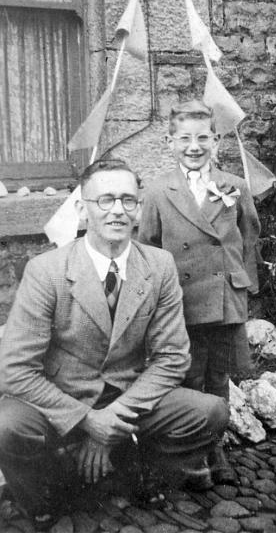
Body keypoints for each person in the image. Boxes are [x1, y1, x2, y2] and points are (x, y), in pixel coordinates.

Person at [0, 159, 228, 530]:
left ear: (139, 208)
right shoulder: (47, 271)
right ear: (82, 208)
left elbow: (172, 358)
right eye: (105, 200)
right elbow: (14, 370)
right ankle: (45, 497)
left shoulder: (159, 266)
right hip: (61, 400)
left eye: (127, 200)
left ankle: (137, 474)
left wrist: (113, 425)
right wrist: (89, 421)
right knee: (4, 424)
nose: (117, 211)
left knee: (209, 412)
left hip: (126, 397)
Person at [139, 100, 260, 485]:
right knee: (188, 378)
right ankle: (194, 457)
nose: (195, 146)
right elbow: (148, 247)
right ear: (170, 142)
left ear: (216, 140)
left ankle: (217, 451)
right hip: (182, 303)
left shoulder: (234, 187)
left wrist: (245, 290)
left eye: (203, 137)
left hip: (224, 300)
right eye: (185, 139)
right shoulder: (158, 192)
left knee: (219, 378)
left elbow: (249, 239)